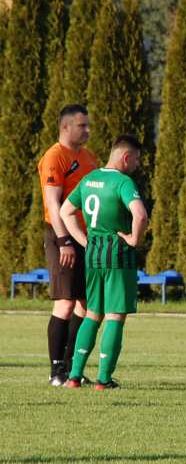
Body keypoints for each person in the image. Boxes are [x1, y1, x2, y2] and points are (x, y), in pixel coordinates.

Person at [60, 135, 147, 390]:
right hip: (118, 256)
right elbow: (140, 215)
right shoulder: (122, 182)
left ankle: (74, 376)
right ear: (126, 157)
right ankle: (103, 379)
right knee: (115, 316)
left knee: (91, 314)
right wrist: (133, 239)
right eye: (137, 159)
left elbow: (66, 211)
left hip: (94, 254)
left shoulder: (89, 179)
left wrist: (83, 240)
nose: (137, 165)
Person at [37, 104, 99, 386]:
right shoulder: (54, 156)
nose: (87, 130)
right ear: (65, 127)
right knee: (65, 302)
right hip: (61, 235)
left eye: (87, 125)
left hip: (84, 236)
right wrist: (64, 242)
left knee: (86, 305)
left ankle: (73, 369)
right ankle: (55, 371)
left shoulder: (88, 157)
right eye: (81, 126)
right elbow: (53, 201)